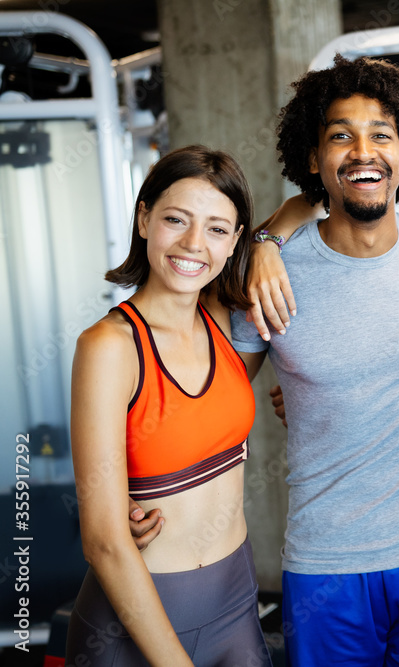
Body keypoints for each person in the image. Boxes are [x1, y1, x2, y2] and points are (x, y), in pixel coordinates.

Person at [227, 55, 399, 665]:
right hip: (327, 567)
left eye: (381, 134)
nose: (363, 150)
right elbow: (218, 406)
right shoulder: (273, 274)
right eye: (340, 135)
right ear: (314, 161)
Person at [66, 146, 271, 666]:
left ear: (235, 241)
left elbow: (311, 206)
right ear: (143, 219)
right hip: (134, 626)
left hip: (236, 605)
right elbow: (105, 542)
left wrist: (267, 241)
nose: (193, 244)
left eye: (217, 229)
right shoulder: (109, 347)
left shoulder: (226, 319)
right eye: (175, 219)